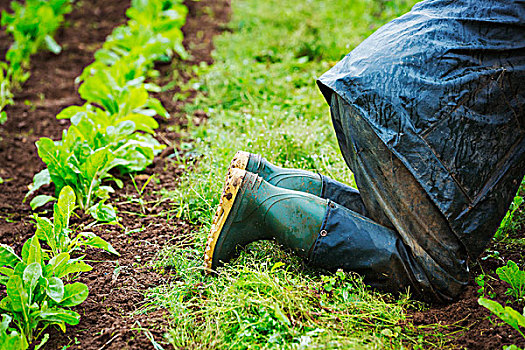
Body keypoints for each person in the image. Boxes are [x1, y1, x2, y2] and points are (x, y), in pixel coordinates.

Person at [203, 0, 525, 303]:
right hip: (408, 116)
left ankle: (271, 180)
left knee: (395, 227)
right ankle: (261, 208)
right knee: (436, 274)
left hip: (366, 79)